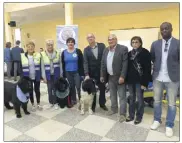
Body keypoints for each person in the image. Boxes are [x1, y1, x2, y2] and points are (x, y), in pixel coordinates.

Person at [150, 22, 180, 137]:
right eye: (162, 29)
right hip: (158, 77)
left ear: (172, 29)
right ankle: (157, 120)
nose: (164, 31)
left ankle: (169, 125)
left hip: (172, 79)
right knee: (157, 101)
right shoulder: (155, 44)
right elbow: (153, 58)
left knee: (171, 103)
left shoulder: (178, 43)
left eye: (166, 29)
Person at [100, 34, 128, 123]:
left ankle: (123, 114)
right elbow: (103, 64)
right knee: (112, 95)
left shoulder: (123, 48)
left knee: (122, 96)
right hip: (110, 77)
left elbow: (125, 64)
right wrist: (102, 75)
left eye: (112, 39)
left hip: (119, 77)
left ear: (116, 39)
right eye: (109, 39)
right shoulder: (106, 50)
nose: (110, 41)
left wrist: (122, 76)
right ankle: (114, 109)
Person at [125, 36, 151, 124]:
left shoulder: (145, 52)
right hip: (131, 80)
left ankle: (139, 116)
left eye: (136, 42)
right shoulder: (129, 53)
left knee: (140, 99)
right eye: (133, 42)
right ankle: (131, 115)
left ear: (140, 43)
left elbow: (148, 69)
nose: (135, 44)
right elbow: (127, 68)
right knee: (131, 98)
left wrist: (145, 83)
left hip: (140, 81)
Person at [83, 33, 108, 112]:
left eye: (91, 37)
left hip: (102, 72)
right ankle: (92, 106)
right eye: (88, 37)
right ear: (87, 40)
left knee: (102, 89)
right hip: (92, 73)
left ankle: (102, 104)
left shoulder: (102, 46)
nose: (90, 38)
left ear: (94, 38)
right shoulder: (86, 49)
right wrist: (86, 74)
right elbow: (85, 62)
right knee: (92, 90)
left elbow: (105, 58)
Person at [61, 37, 84, 105]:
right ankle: (73, 99)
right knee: (71, 87)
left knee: (78, 86)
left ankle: (81, 99)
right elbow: (63, 63)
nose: (70, 43)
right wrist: (64, 74)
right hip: (68, 72)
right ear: (67, 43)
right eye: (69, 42)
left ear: (74, 43)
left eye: (72, 42)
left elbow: (81, 62)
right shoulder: (64, 52)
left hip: (77, 72)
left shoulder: (78, 51)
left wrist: (82, 74)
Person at [41, 39, 63, 110]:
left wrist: (61, 74)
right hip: (48, 75)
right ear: (46, 46)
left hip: (56, 74)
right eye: (48, 45)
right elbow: (42, 66)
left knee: (56, 89)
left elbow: (60, 64)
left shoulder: (57, 53)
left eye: (51, 45)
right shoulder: (43, 54)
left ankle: (56, 102)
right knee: (49, 89)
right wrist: (44, 77)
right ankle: (51, 102)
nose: (50, 46)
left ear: (53, 45)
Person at [21, 41, 42, 111]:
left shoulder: (38, 55)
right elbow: (20, 68)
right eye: (29, 46)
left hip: (36, 76)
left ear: (34, 47)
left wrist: (41, 76)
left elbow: (41, 66)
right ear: (26, 47)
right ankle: (32, 104)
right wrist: (22, 77)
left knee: (37, 90)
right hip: (28, 77)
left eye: (32, 46)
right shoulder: (23, 56)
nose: (30, 48)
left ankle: (38, 103)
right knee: (30, 91)